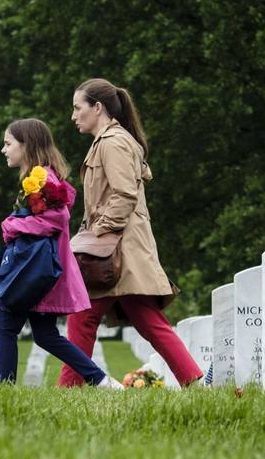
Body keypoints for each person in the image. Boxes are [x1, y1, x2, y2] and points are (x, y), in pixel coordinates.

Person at [58, 79, 205, 387]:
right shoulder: (109, 142)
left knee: (83, 316)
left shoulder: (113, 143)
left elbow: (124, 195)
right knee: (143, 322)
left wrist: (95, 234)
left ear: (97, 108)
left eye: (77, 107)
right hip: (119, 252)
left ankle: (67, 391)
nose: (73, 116)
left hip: (116, 251)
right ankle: (195, 382)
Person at [0, 118, 122, 388]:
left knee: (5, 326)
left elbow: (57, 218)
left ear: (26, 145)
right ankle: (101, 381)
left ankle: (4, 389)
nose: (3, 150)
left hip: (35, 273)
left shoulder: (44, 178)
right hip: (39, 272)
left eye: (8, 143)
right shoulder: (38, 176)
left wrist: (11, 224)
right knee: (45, 335)